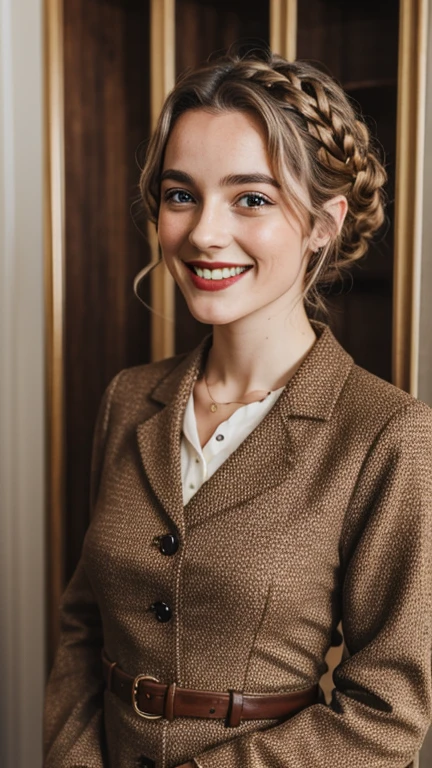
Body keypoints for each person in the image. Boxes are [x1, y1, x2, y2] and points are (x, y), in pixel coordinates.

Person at [43, 50, 432, 768]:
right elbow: (82, 625)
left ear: (323, 223)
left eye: (250, 198)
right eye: (180, 194)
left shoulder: (386, 432)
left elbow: (388, 709)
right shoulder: (128, 399)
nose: (202, 234)